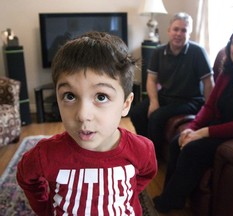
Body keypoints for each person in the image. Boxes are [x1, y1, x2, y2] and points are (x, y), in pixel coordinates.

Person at [16, 32, 157, 215]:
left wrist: (129, 194)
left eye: (101, 96)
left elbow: (146, 174)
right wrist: (44, 208)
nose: (82, 115)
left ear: (125, 104)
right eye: (70, 96)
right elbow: (26, 178)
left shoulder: (142, 150)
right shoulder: (45, 154)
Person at [153, 23, 233, 213]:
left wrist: (202, 133)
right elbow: (209, 106)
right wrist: (192, 127)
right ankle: (174, 197)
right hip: (229, 126)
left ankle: (170, 200)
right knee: (178, 141)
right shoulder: (228, 72)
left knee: (193, 148)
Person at [130, 12, 214, 157]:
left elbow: (208, 82)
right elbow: (151, 79)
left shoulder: (198, 52)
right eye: (176, 29)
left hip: (190, 100)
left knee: (156, 117)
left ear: (189, 33)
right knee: (137, 112)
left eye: (184, 30)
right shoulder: (158, 52)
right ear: (169, 31)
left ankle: (152, 156)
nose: (179, 34)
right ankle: (145, 147)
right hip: (166, 96)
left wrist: (209, 108)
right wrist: (154, 102)